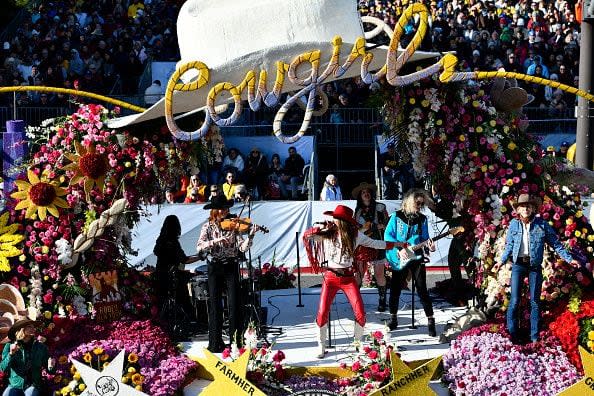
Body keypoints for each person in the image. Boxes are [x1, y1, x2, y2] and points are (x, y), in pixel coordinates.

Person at [303, 205, 400, 358]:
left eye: (336, 218)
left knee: (360, 312)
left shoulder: (356, 235)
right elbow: (307, 236)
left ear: (343, 221)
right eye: (333, 217)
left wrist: (396, 244)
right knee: (322, 312)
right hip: (330, 277)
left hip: (348, 278)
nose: (333, 220)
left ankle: (357, 344)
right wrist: (318, 228)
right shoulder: (328, 232)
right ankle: (321, 346)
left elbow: (375, 243)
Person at [499, 194, 578, 344]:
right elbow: (509, 246)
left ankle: (534, 336)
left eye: (529, 206)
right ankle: (513, 334)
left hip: (534, 267)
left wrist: (569, 259)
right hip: (518, 265)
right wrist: (501, 261)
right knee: (514, 300)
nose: (526, 208)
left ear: (534, 208)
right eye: (523, 206)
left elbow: (556, 244)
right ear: (518, 209)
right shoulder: (514, 225)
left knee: (535, 301)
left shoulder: (542, 224)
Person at [196, 196, 257, 352]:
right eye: (222, 209)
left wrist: (250, 236)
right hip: (215, 267)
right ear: (215, 211)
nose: (225, 211)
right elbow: (200, 247)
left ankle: (236, 342)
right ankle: (215, 343)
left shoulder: (233, 226)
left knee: (235, 303)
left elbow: (242, 248)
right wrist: (216, 241)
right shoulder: (207, 227)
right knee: (215, 305)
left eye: (226, 209)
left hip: (231, 265)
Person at [384, 188, 437, 336]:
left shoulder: (422, 219)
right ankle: (393, 318)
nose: (419, 206)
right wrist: (398, 249)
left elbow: (425, 238)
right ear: (409, 202)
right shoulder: (396, 216)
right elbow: (388, 235)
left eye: (421, 204)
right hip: (399, 255)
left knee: (422, 289)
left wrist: (430, 246)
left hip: (417, 257)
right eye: (417, 203)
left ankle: (430, 320)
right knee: (395, 288)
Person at [352, 182, 389, 311]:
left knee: (379, 273)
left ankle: (382, 300)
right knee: (359, 273)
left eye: (367, 191)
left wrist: (380, 226)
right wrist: (372, 227)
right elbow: (355, 229)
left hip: (378, 243)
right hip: (363, 244)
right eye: (363, 192)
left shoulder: (380, 207)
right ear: (360, 196)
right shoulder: (357, 211)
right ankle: (355, 301)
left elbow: (386, 223)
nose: (366, 194)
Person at [153, 215, 202, 313]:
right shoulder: (173, 242)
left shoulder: (160, 239)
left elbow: (156, 252)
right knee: (183, 295)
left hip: (160, 274)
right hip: (172, 276)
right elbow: (185, 260)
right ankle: (191, 315)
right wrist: (200, 257)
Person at [1, 317, 55, 396]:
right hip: (15, 385)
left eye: (34, 327)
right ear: (21, 329)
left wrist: (51, 366)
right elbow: (3, 368)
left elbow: (50, 371)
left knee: (30, 393)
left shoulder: (41, 347)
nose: (33, 329)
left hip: (33, 385)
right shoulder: (9, 346)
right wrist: (11, 354)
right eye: (29, 326)